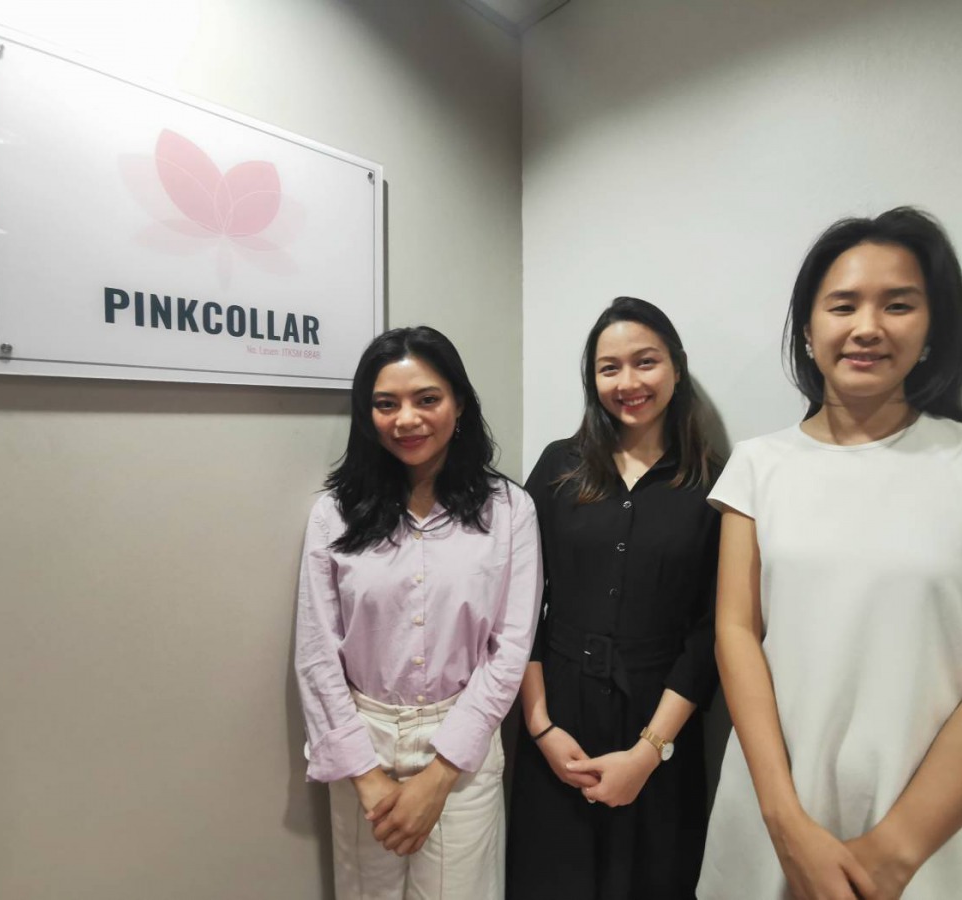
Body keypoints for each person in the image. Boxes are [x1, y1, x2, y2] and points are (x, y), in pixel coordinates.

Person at [701, 207, 962, 900]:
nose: (868, 326)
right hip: (776, 820)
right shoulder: (757, 466)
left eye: (898, 305)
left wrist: (890, 857)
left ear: (932, 330)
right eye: (843, 305)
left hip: (938, 836)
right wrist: (785, 823)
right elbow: (736, 634)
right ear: (808, 331)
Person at [294, 326, 542, 900]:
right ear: (367, 414)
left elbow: (509, 651)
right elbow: (316, 652)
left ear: (459, 403)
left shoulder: (509, 510)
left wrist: (440, 774)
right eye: (387, 404)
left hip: (462, 741)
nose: (407, 419)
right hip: (363, 736)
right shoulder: (335, 515)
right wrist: (365, 773)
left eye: (427, 399)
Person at [506, 297, 721, 899]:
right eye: (609, 368)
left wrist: (648, 753)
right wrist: (541, 726)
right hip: (559, 712)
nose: (628, 382)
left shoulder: (713, 482)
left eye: (645, 362)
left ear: (676, 368)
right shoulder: (559, 466)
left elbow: (711, 632)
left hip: (659, 724)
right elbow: (520, 603)